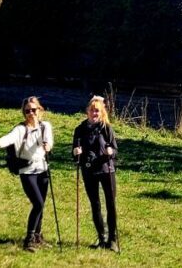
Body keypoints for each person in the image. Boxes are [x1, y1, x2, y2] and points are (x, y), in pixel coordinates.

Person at [0, 96, 54, 252]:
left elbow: (49, 141)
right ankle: (29, 239)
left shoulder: (46, 126)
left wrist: (48, 146)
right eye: (27, 111)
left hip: (43, 170)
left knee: (41, 205)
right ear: (24, 113)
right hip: (27, 171)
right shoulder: (20, 129)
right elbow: (9, 138)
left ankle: (38, 236)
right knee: (38, 203)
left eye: (34, 110)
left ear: (40, 110)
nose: (31, 113)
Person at [73, 95, 119, 251]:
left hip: (106, 169)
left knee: (110, 204)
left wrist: (110, 151)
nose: (94, 113)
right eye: (92, 110)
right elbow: (74, 153)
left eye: (97, 111)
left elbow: (115, 150)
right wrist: (76, 152)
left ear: (102, 112)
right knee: (95, 205)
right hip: (89, 170)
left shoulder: (106, 128)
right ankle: (102, 238)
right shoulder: (80, 130)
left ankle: (112, 240)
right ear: (87, 111)